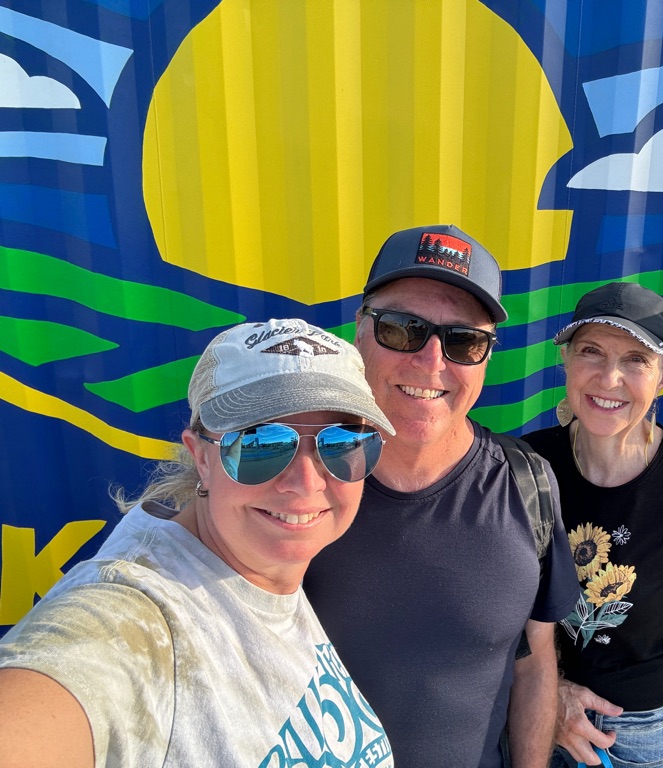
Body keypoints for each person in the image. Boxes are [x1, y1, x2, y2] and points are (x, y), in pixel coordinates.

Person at [0, 318, 397, 768]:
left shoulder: (263, 574)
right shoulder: (138, 616)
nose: (306, 482)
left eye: (342, 442)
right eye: (260, 443)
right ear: (201, 456)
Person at [304, 224, 579, 768]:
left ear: (486, 357)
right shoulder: (297, 478)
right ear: (359, 331)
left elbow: (534, 664)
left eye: (463, 341)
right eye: (402, 329)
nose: (432, 362)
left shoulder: (527, 484)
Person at [522, 282, 663, 768]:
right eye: (591, 351)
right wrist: (551, 692)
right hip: (531, 706)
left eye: (636, 360)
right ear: (565, 360)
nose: (609, 378)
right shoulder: (525, 468)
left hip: (638, 734)